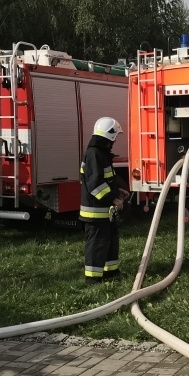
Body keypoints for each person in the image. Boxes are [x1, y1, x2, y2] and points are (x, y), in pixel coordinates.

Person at [80, 116, 129, 284]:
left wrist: (118, 190)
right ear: (111, 136)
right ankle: (92, 279)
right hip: (95, 211)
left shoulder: (102, 154)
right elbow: (95, 184)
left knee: (110, 241)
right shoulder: (94, 154)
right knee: (97, 243)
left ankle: (111, 272)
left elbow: (107, 179)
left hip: (104, 210)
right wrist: (113, 199)